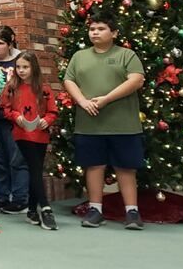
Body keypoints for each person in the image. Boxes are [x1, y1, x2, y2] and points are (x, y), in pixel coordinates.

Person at [62, 13, 145, 230]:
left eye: (101, 28)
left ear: (114, 33)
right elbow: (69, 80)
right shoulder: (79, 56)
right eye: (92, 29)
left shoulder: (127, 55)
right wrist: (82, 101)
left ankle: (132, 212)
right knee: (94, 165)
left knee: (125, 167)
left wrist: (106, 99)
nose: (95, 32)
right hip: (89, 124)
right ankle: (95, 210)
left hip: (123, 124)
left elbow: (136, 80)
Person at [2, 51, 58, 230]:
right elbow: (5, 108)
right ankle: (46, 208)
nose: (21, 70)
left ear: (33, 67)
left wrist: (46, 120)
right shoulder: (11, 87)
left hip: (40, 134)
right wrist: (15, 116)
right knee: (34, 168)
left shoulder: (44, 88)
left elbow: (52, 111)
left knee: (36, 170)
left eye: (25, 67)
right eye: (18, 67)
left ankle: (32, 210)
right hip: (22, 133)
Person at [0, 25, 29, 214]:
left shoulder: (20, 62)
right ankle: (1, 197)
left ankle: (20, 199)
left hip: (15, 120)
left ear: (10, 43)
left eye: (0, 43)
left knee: (17, 160)